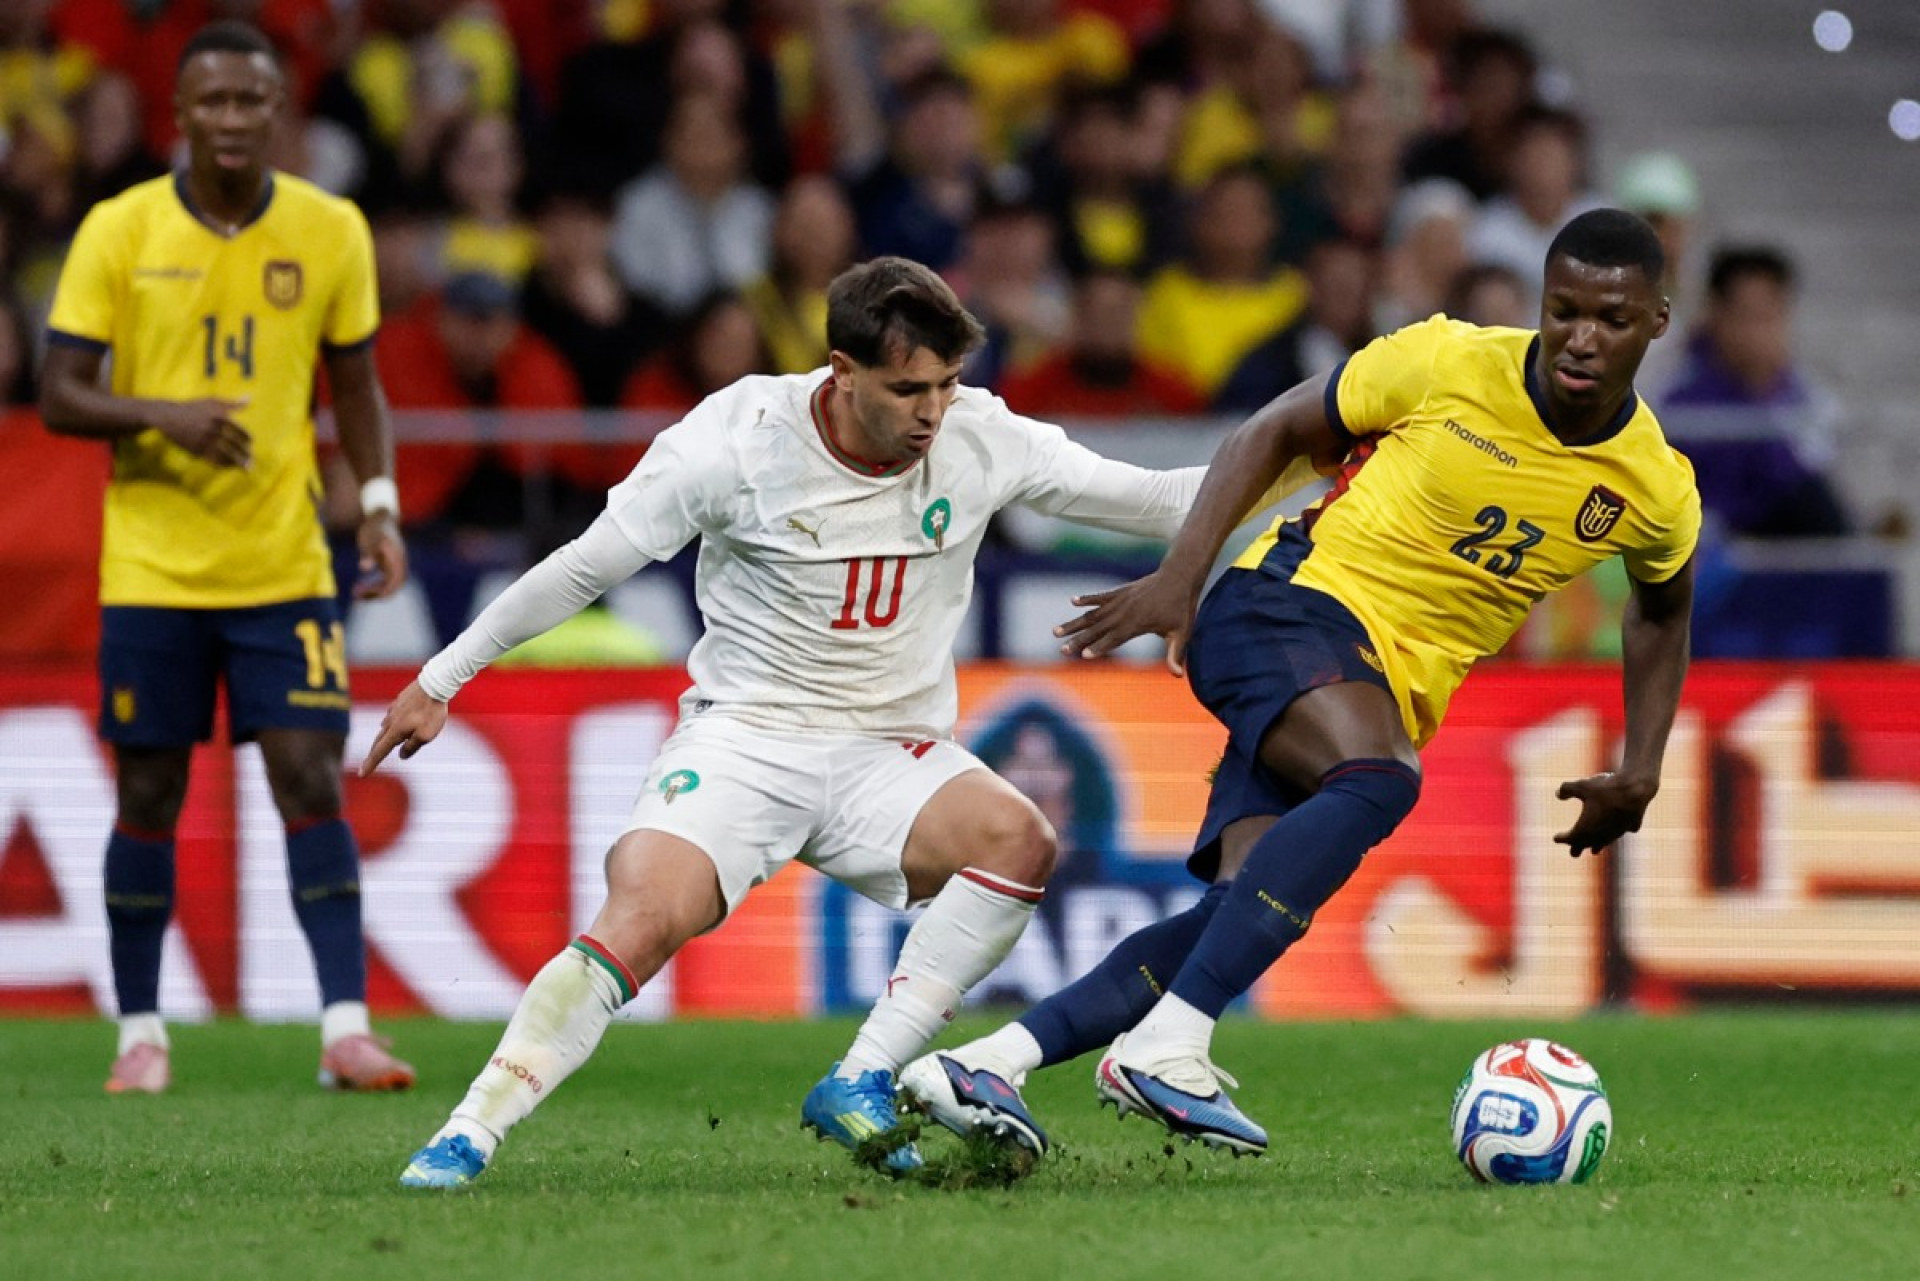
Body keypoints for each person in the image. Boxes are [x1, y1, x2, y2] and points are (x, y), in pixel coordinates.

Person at [363, 255, 1214, 1189]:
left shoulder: (982, 435)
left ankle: (859, 1076)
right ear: (841, 372)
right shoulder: (734, 442)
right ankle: (468, 1132)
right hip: (746, 737)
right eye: (907, 389)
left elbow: (1159, 498)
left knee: (1020, 837)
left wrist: (1320, 449)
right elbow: (586, 564)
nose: (933, 411)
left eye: (947, 384)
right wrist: (443, 677)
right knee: (642, 915)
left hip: (889, 749)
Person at [899, 208, 1700, 1159]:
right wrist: (1180, 574)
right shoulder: (1447, 359)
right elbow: (1276, 427)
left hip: (1372, 680)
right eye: (1562, 309)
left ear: (1657, 318)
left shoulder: (1653, 484)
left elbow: (1661, 607)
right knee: (1379, 777)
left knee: (1229, 909)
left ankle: (990, 1060)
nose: (1580, 337)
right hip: (1285, 605)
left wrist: (1640, 766)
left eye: (1611, 318)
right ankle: (1171, 1041)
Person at [37, 20, 415, 1096]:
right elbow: (61, 391)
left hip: (286, 561)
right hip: (152, 568)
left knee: (309, 777)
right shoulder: (120, 229)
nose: (235, 120)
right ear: (181, 115)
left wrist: (377, 507)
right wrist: (163, 416)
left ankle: (345, 1027)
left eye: (254, 101)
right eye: (215, 102)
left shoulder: (330, 229)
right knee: (149, 792)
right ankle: (142, 1034)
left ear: (281, 113)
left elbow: (354, 385)